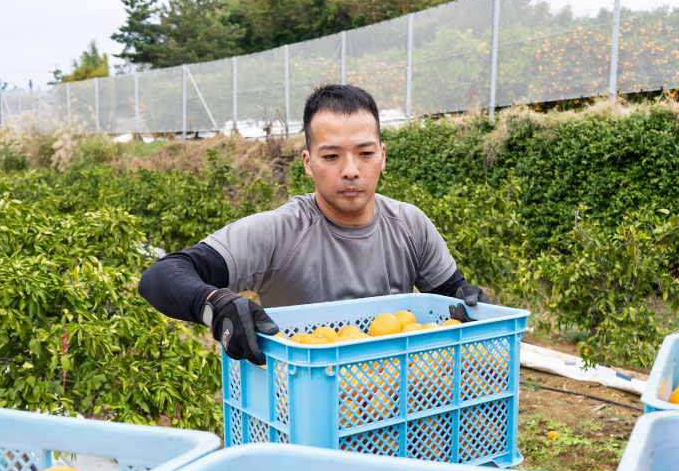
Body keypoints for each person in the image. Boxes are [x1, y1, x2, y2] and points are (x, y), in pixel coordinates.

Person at [138, 83, 486, 365]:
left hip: (395, 405)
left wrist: (468, 302)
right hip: (303, 414)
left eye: (365, 154)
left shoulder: (410, 224)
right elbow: (162, 276)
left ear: (382, 156)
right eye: (331, 156)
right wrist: (218, 305)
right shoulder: (281, 232)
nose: (350, 170)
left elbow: (449, 295)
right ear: (308, 162)